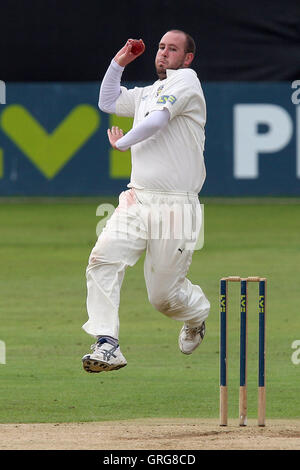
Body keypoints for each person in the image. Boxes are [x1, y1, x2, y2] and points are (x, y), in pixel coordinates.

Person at [82, 30, 210, 373]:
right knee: (102, 258)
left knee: (163, 299)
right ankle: (106, 342)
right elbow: (109, 102)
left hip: (177, 206)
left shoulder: (187, 82)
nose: (164, 53)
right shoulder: (149, 93)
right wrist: (118, 62)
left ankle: (197, 314)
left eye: (173, 49)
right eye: (161, 47)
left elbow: (158, 121)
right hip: (138, 197)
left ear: (187, 58)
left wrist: (124, 145)